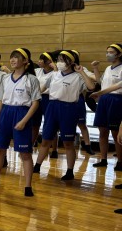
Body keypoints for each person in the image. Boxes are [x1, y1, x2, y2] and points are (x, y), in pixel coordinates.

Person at [0, 48, 40, 196]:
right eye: (12, 57)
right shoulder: (6, 78)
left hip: (21, 113)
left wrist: (24, 121)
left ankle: (28, 187)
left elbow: (35, 103)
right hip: (5, 113)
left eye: (16, 57)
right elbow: (0, 100)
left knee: (25, 153)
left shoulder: (31, 79)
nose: (12, 60)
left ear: (25, 61)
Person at [33, 50, 95, 180]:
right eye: (59, 60)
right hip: (52, 107)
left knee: (68, 143)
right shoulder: (54, 75)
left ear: (71, 62)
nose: (59, 63)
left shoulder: (78, 76)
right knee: (45, 140)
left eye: (62, 60)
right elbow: (41, 90)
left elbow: (91, 87)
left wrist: (81, 72)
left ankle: (70, 171)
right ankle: (37, 166)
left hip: (69, 109)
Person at [91, 44, 122, 170]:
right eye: (107, 51)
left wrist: (100, 93)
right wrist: (95, 68)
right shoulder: (108, 68)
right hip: (104, 99)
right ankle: (103, 159)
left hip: (116, 100)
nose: (108, 54)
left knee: (116, 133)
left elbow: (118, 86)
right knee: (102, 131)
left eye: (111, 52)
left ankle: (120, 161)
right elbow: (100, 82)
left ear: (119, 54)